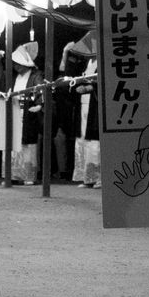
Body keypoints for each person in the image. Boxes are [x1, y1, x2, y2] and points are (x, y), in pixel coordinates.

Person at [0, 41, 45, 184]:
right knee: (12, 141)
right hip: (15, 112)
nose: (16, 66)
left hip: (28, 113)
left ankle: (28, 176)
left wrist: (39, 105)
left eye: (19, 63)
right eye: (15, 63)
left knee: (27, 144)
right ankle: (12, 175)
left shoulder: (36, 75)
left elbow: (41, 90)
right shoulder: (13, 76)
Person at [62, 29, 101, 188]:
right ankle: (87, 177)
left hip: (95, 104)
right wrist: (66, 52)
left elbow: (105, 83)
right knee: (82, 140)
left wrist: (88, 89)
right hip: (83, 104)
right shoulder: (86, 63)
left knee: (94, 142)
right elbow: (71, 75)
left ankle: (99, 177)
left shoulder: (103, 61)